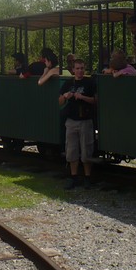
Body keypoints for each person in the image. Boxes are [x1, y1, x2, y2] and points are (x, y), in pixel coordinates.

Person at [59, 58, 97, 189]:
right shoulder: (68, 83)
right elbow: (59, 101)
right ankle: (73, 177)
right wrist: (65, 96)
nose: (80, 71)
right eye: (77, 68)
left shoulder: (90, 82)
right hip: (71, 120)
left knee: (86, 151)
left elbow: (95, 101)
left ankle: (87, 177)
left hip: (85, 120)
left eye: (82, 68)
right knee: (71, 151)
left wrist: (82, 97)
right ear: (73, 70)